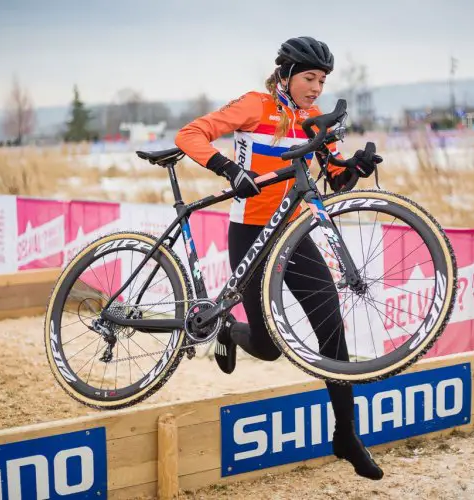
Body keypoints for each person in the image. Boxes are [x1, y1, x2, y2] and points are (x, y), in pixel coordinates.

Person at [175, 36, 384, 480]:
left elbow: (334, 178)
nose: (316, 88)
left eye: (323, 80)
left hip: (293, 236)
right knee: (270, 347)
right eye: (310, 77)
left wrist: (354, 168)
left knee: (332, 330)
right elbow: (189, 134)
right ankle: (227, 328)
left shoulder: (312, 120)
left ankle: (346, 435)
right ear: (286, 73)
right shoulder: (255, 105)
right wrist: (228, 168)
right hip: (250, 232)